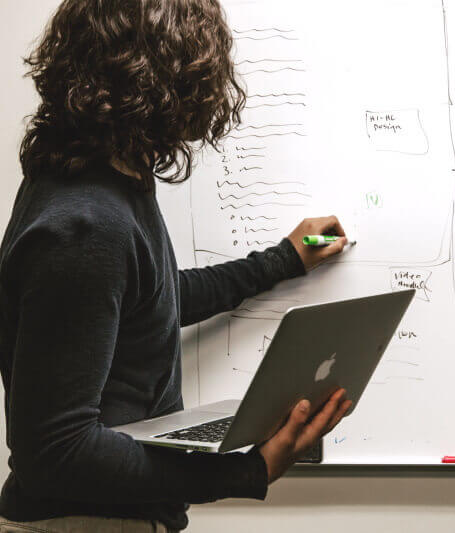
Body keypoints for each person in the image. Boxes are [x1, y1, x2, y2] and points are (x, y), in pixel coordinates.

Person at [0, 0, 352, 531]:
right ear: (171, 80)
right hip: (83, 523)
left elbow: (150, 303)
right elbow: (54, 454)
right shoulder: (84, 223)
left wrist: (284, 259)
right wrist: (245, 473)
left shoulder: (108, 184)